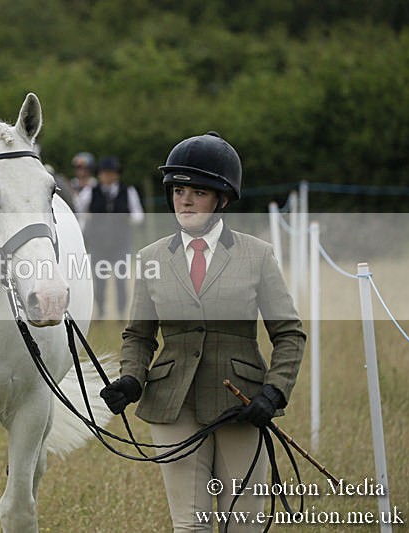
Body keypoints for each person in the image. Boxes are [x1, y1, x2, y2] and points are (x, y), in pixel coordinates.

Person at [99, 132, 306, 531]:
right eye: (178, 190)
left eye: (198, 191)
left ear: (222, 199)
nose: (186, 200)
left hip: (241, 403)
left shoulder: (257, 255)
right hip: (172, 403)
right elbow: (139, 336)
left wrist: (274, 390)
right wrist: (131, 377)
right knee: (189, 524)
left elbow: (289, 333)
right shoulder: (151, 258)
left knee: (242, 523)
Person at [76, 156, 144, 320]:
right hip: (98, 245)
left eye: (111, 173)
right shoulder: (90, 192)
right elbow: (80, 212)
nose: (108, 176)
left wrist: (127, 219)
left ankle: (121, 313)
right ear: (100, 175)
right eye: (105, 173)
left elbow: (138, 215)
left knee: (121, 282)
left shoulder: (128, 191)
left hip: (121, 244)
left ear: (117, 175)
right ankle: (101, 312)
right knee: (99, 282)